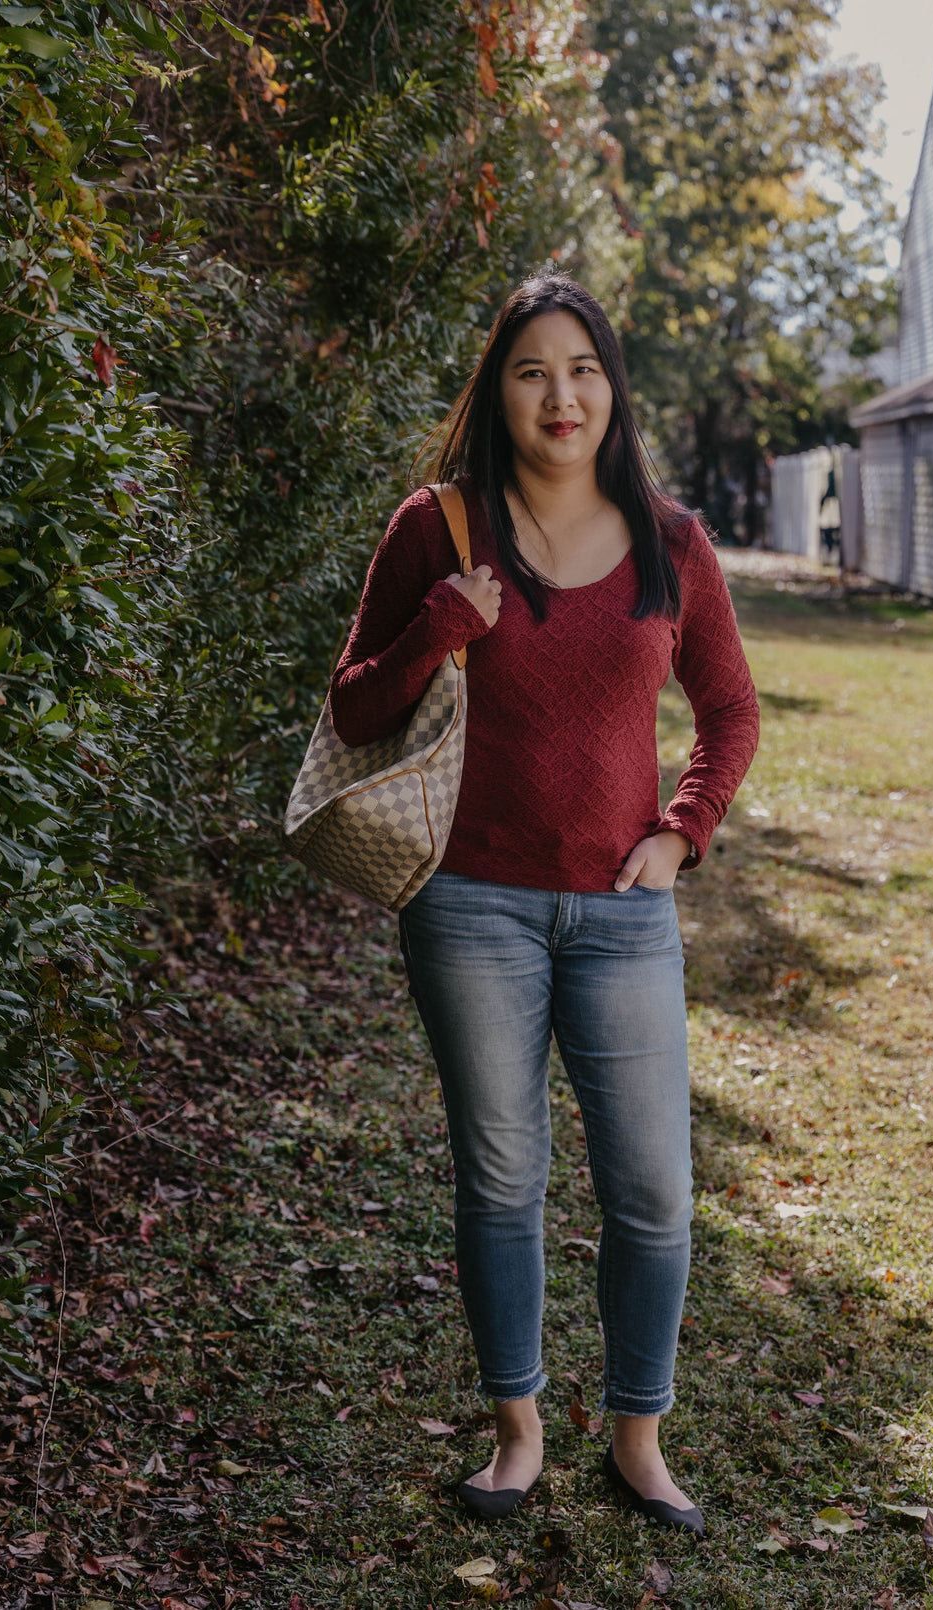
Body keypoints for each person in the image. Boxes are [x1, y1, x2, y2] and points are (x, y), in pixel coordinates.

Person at [328, 274, 759, 1533]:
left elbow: (727, 710)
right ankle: (516, 1433)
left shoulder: (672, 540)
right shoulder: (440, 524)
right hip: (469, 905)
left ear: (612, 385)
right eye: (530, 370)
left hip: (622, 910)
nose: (559, 394)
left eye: (582, 367)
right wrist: (438, 627)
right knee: (502, 1175)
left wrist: (681, 834)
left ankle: (638, 1436)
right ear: (497, 390)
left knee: (653, 1189)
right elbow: (356, 704)